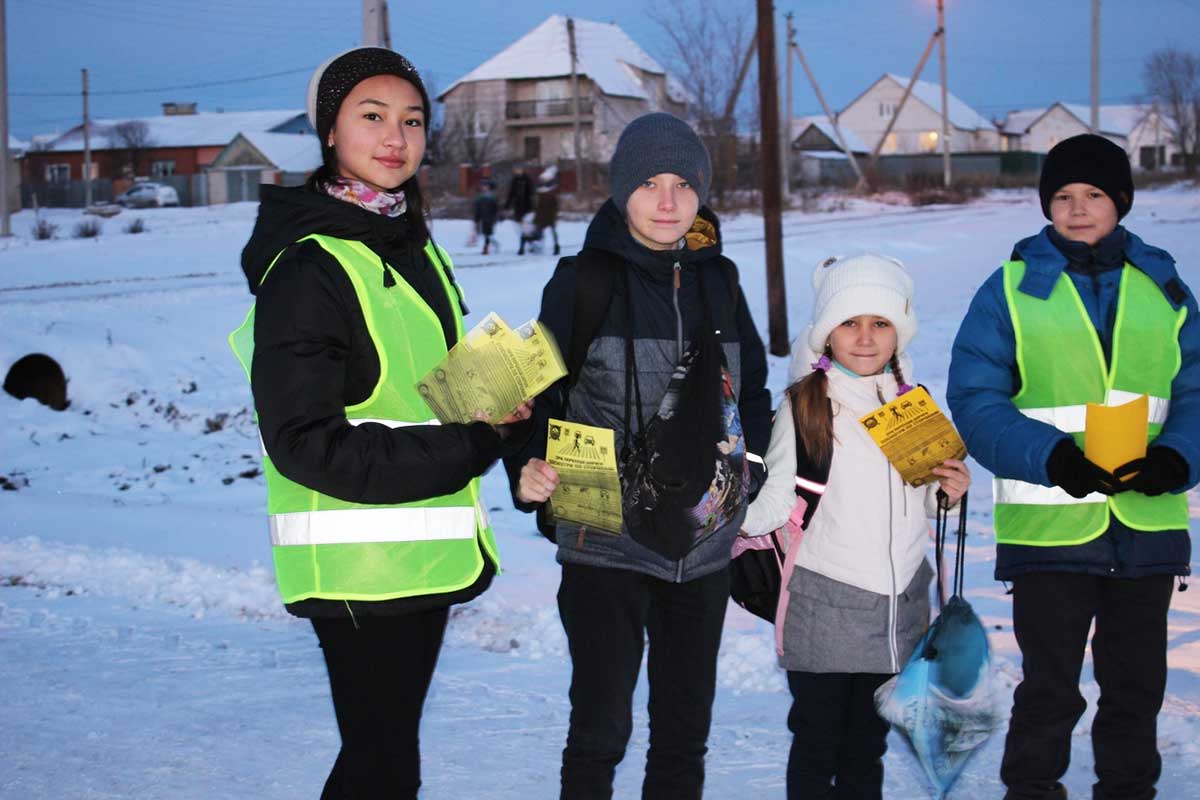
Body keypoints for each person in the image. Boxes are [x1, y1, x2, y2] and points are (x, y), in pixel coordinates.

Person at [229, 46, 532, 800]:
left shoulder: (408, 244)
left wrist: (523, 416)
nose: (396, 137)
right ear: (330, 131)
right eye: (372, 117)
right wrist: (474, 443)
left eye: (412, 121)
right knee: (383, 762)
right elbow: (304, 442)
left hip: (416, 559)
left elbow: (437, 382)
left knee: (384, 759)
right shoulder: (309, 267)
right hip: (359, 569)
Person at [505, 112, 772, 799]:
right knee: (601, 732)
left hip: (702, 548)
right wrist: (526, 465)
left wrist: (752, 475)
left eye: (683, 183)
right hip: (603, 538)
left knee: (684, 736)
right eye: (650, 182)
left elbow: (755, 392)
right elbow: (523, 392)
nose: (667, 200)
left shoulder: (723, 280)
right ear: (623, 190)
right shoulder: (583, 280)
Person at [946, 133, 1200, 800]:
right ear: (1045, 205)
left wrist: (1178, 457)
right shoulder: (1009, 289)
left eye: (1093, 195)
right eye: (1062, 196)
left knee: (1136, 688)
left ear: (1121, 201)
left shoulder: (1166, 289)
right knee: (1050, 690)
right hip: (1051, 535)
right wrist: (1051, 455)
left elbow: (1197, 390)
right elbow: (976, 398)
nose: (1077, 209)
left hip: (1145, 527)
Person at [740, 254, 970, 800]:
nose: (865, 338)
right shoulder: (806, 405)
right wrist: (713, 516)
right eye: (850, 323)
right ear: (827, 333)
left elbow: (929, 501)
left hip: (900, 608)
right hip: (826, 600)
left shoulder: (915, 404)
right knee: (819, 742)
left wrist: (952, 495)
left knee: (868, 746)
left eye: (880, 323)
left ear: (899, 331)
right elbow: (773, 503)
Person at [505, 163, 535, 254]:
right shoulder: (514, 180)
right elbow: (511, 194)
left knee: (525, 228)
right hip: (518, 208)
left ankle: (522, 248)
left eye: (519, 169)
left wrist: (533, 207)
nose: (518, 171)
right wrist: (507, 205)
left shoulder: (528, 180)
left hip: (527, 208)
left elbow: (532, 194)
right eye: (516, 169)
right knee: (520, 229)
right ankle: (530, 243)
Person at [534, 163, 561, 256]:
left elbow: (554, 206)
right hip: (543, 215)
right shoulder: (541, 192)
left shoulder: (550, 193)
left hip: (549, 215)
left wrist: (554, 215)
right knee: (541, 231)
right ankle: (540, 246)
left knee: (552, 231)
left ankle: (556, 246)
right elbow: (538, 206)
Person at [473, 177, 499, 255]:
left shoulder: (492, 197)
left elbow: (496, 208)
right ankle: (492, 243)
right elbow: (477, 208)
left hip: (490, 217)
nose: (484, 187)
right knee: (485, 233)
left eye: (486, 186)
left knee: (488, 232)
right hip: (482, 217)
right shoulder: (479, 197)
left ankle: (486, 247)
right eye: (483, 186)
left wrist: (496, 216)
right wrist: (477, 217)